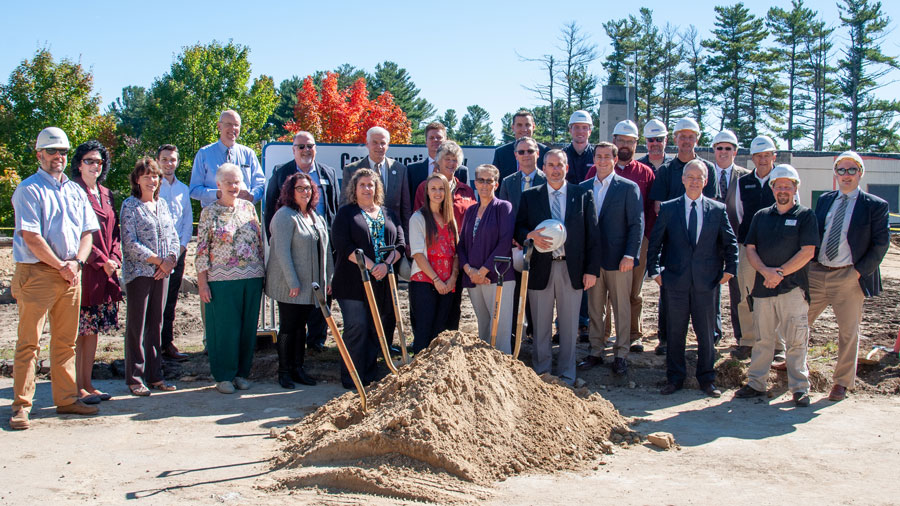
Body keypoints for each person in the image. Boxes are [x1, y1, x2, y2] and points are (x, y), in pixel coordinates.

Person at [9, 127, 100, 430]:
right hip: (37, 273)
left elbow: (87, 232)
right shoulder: (29, 189)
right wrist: (62, 265)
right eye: (52, 151)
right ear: (39, 154)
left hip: (71, 274)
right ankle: (22, 406)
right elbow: (31, 236)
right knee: (29, 344)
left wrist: (76, 263)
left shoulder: (74, 190)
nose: (58, 157)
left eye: (62, 152)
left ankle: (66, 399)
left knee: (65, 342)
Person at [646, 160, 738, 398]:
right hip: (675, 282)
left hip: (706, 283)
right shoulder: (669, 208)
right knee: (675, 333)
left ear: (706, 182)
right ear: (683, 180)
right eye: (690, 177)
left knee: (706, 334)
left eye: (699, 177)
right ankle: (674, 378)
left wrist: (730, 270)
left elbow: (730, 243)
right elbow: (655, 243)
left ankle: (707, 379)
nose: (695, 181)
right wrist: (655, 272)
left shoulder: (717, 210)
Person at [808, 152, 890, 402]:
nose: (846, 175)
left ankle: (842, 382)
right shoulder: (824, 200)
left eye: (851, 170)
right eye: (841, 170)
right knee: (798, 321)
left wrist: (857, 272)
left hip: (849, 275)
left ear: (860, 173)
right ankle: (794, 368)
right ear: (835, 174)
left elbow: (880, 244)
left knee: (848, 332)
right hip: (818, 272)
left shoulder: (875, 205)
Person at [515, 149, 599, 385]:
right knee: (540, 325)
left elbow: (593, 235)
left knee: (570, 325)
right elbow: (518, 228)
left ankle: (567, 374)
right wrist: (528, 234)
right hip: (541, 268)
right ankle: (542, 373)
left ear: (567, 167)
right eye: (550, 165)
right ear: (544, 167)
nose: (555, 169)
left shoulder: (582, 195)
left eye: (559, 165)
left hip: (571, 270)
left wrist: (591, 270)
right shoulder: (531, 196)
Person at [735, 165, 817, 407]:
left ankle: (799, 388)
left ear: (795, 188)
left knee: (796, 340)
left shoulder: (805, 216)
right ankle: (756, 383)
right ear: (772, 188)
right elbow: (750, 248)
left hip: (793, 289)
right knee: (762, 340)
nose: (782, 189)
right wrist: (764, 272)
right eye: (778, 185)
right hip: (763, 289)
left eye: (787, 186)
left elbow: (808, 251)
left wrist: (779, 273)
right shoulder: (761, 216)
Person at [264, 131, 339, 353]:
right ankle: (289, 363)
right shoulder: (281, 172)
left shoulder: (328, 172)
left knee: (320, 298)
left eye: (310, 146)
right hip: (294, 245)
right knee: (293, 312)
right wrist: (276, 240)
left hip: (321, 243)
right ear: (293, 149)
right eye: (301, 146)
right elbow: (270, 208)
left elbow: (333, 207)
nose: (306, 150)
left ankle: (316, 341)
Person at [585, 120, 657, 352]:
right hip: (597, 251)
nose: (626, 144)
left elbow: (642, 216)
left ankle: (627, 343)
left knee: (628, 296)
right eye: (622, 140)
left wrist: (633, 251)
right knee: (597, 301)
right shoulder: (587, 181)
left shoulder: (641, 175)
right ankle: (599, 342)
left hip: (630, 245)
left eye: (630, 141)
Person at [648, 117, 717, 356]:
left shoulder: (708, 169)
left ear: (697, 139)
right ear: (675, 139)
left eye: (691, 136)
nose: (686, 141)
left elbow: (713, 207)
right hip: (673, 243)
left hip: (702, 244)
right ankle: (666, 338)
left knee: (707, 292)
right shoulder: (666, 170)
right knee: (669, 291)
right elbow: (658, 206)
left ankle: (710, 337)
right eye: (682, 136)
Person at [331, 168, 406, 388]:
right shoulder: (346, 213)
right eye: (362, 185)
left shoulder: (389, 213)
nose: (367, 188)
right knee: (358, 327)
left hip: (382, 283)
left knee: (378, 328)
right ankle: (352, 377)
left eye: (371, 184)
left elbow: (401, 243)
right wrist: (372, 266)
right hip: (352, 282)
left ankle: (370, 376)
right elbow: (342, 245)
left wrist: (386, 264)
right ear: (354, 188)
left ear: (377, 188)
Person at [196, 163, 266, 394]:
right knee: (225, 330)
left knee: (247, 329)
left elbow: (258, 240)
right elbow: (202, 249)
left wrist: (264, 274)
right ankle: (223, 375)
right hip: (221, 280)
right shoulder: (209, 212)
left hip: (252, 277)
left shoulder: (248, 208)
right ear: (218, 185)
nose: (233, 186)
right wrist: (203, 283)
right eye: (228, 182)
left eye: (237, 182)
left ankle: (240, 374)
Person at [577, 142, 643, 375]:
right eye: (598, 156)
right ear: (593, 160)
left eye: (607, 156)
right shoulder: (583, 187)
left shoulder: (628, 187)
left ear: (615, 160)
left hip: (619, 260)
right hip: (593, 262)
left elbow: (636, 224)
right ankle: (595, 350)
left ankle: (621, 353)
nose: (602, 160)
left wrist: (629, 255)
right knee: (595, 308)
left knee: (621, 308)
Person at [120, 157, 180, 396]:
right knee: (137, 325)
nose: (152, 181)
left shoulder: (162, 205)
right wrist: (157, 260)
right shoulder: (130, 206)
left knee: (156, 324)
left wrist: (171, 260)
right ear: (137, 179)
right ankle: (135, 377)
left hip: (163, 274)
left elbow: (173, 235)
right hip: (140, 273)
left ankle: (155, 376)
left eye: (155, 176)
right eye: (146, 176)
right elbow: (129, 242)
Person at [265, 172, 332, 388]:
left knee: (301, 328)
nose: (305, 192)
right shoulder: (284, 216)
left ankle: (298, 368)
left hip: (310, 286)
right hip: (290, 285)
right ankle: (284, 371)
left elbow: (326, 249)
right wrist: (292, 281)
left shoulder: (314, 216)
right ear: (290, 191)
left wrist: (328, 277)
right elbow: (281, 252)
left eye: (308, 188)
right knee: (288, 328)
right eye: (300, 188)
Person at [71, 141, 122, 404]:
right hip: (84, 270)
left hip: (106, 271)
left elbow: (114, 232)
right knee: (79, 331)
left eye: (99, 162)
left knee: (93, 331)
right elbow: (76, 233)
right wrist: (101, 260)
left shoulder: (106, 193)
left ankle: (88, 384)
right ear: (79, 163)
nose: (95, 166)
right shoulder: (72, 191)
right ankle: (76, 386)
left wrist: (114, 257)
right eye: (90, 161)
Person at [730, 135, 786, 361]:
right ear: (752, 157)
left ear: (774, 156)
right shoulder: (744, 182)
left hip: (778, 247)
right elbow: (739, 213)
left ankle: (778, 346)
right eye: (758, 156)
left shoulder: (783, 180)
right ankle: (748, 341)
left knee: (777, 295)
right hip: (748, 246)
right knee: (745, 293)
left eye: (767, 155)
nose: (762, 160)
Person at [412, 140, 475, 333]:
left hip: (458, 259)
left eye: (454, 160)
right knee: (427, 316)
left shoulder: (466, 190)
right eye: (447, 159)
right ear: (437, 162)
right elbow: (419, 222)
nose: (451, 163)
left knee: (451, 310)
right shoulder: (425, 187)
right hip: (430, 263)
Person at [459, 165, 516, 352]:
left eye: (489, 180)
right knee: (483, 327)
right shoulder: (470, 211)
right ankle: (485, 373)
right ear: (475, 183)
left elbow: (505, 242)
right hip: (474, 279)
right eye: (481, 180)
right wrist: (470, 271)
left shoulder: (503, 207)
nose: (484, 184)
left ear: (496, 184)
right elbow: (462, 245)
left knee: (500, 330)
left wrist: (483, 271)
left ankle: (503, 374)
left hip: (498, 277)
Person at [498, 136, 546, 342]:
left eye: (530, 151)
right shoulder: (509, 182)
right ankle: (513, 335)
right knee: (515, 291)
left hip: (542, 245)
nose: (526, 155)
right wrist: (513, 238)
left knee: (537, 293)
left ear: (538, 153)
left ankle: (536, 334)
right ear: (516, 155)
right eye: (521, 152)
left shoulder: (548, 180)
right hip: (515, 246)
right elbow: (503, 213)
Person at [408, 173, 460, 352]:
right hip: (425, 282)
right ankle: (419, 378)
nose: (437, 192)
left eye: (441, 189)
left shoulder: (450, 219)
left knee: (442, 332)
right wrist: (436, 280)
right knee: (424, 332)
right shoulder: (418, 218)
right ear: (427, 192)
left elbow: (456, 253)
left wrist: (452, 279)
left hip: (448, 284)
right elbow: (417, 254)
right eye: (433, 189)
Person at [710, 130, 750, 348]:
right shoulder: (705, 174)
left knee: (739, 290)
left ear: (735, 151)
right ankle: (714, 333)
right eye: (719, 148)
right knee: (711, 290)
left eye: (728, 148)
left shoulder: (746, 176)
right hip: (711, 242)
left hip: (737, 242)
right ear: (713, 150)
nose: (723, 152)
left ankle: (742, 335)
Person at [342, 126, 412, 238]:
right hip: (361, 234)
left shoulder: (400, 169)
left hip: (392, 235)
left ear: (388, 145)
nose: (379, 147)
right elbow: (345, 204)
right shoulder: (351, 170)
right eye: (375, 142)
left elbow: (406, 208)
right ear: (367, 144)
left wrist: (407, 239)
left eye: (383, 143)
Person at [157, 144, 192, 361]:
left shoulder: (183, 189)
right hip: (156, 257)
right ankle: (150, 346)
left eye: (173, 159)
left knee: (170, 301)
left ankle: (166, 343)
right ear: (158, 160)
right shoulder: (151, 186)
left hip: (177, 254)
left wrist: (178, 251)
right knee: (153, 303)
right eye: (165, 159)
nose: (169, 163)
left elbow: (187, 222)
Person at [189, 109, 265, 208]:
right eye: (228, 124)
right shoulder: (204, 154)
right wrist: (218, 194)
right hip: (213, 216)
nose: (233, 128)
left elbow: (261, 184)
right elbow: (194, 190)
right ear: (219, 126)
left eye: (236, 125)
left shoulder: (249, 154)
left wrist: (251, 196)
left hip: (243, 215)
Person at [407, 121, 469, 202]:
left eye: (439, 137)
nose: (435, 140)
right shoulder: (413, 169)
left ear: (446, 140)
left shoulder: (461, 171)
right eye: (431, 138)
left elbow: (467, 201)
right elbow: (408, 201)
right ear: (426, 141)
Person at [492, 109, 550, 181]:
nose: (524, 129)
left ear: (533, 127)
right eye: (519, 125)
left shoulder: (546, 152)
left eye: (527, 125)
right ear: (513, 127)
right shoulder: (501, 153)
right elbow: (494, 182)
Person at [563, 110, 595, 184]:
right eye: (576, 127)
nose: (580, 131)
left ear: (590, 131)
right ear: (570, 130)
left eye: (584, 127)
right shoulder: (562, 155)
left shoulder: (596, 155)